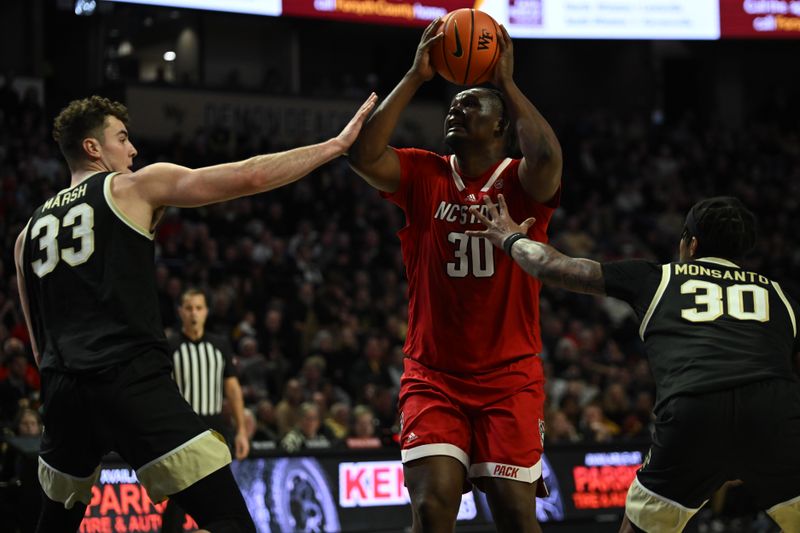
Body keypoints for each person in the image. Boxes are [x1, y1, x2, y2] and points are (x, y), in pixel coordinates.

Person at [13, 92, 376, 533]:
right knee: (227, 519)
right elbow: (250, 176)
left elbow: (38, 343)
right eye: (122, 139)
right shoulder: (133, 186)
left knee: (52, 526)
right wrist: (333, 146)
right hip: (129, 379)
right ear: (93, 148)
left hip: (64, 393)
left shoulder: (27, 233)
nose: (133, 150)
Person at [467, 194, 800, 532]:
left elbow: (554, 267)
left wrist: (510, 238)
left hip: (695, 410)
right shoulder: (781, 296)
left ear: (691, 243)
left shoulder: (659, 277)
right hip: (774, 412)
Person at [348, 19, 562, 533]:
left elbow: (549, 155)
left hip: (509, 377)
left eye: (471, 104)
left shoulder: (520, 182)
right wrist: (416, 76)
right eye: (453, 103)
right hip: (433, 376)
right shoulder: (425, 172)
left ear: (499, 126)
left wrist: (507, 84)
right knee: (432, 505)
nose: (456, 109)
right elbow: (363, 155)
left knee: (514, 512)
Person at [161, 288, 250, 533]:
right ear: (180, 312)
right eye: (189, 308)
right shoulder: (170, 345)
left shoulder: (220, 344)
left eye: (199, 308)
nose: (194, 313)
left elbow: (232, 389)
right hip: (182, 431)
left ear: (206, 312)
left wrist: (242, 430)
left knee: (222, 498)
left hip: (215, 431)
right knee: (179, 498)